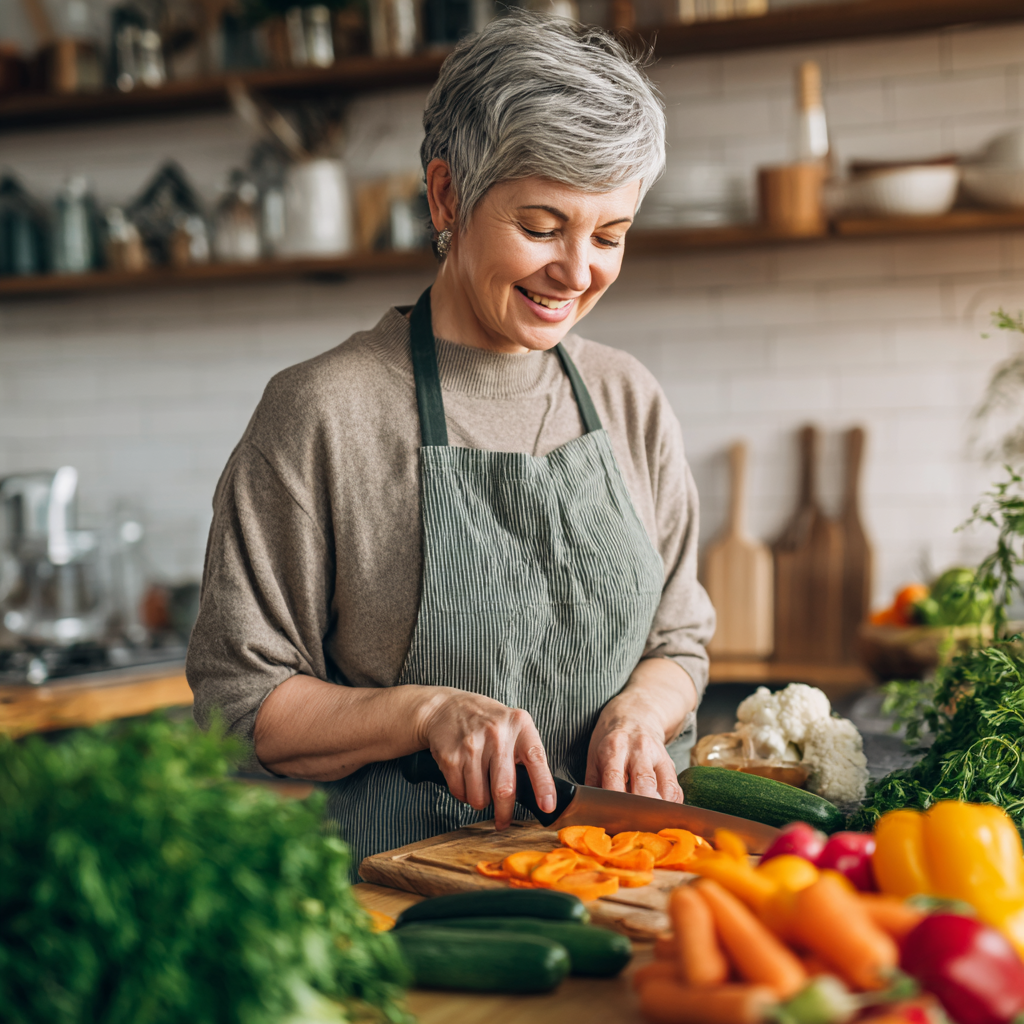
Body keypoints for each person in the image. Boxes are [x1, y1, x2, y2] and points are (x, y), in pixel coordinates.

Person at [186, 11, 715, 872]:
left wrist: (640, 714)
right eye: (543, 227)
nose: (578, 272)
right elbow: (242, 702)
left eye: (610, 235)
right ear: (446, 197)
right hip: (405, 910)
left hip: (627, 882)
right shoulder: (323, 411)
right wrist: (421, 714)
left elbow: (677, 642)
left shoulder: (628, 398)